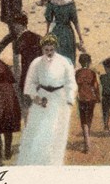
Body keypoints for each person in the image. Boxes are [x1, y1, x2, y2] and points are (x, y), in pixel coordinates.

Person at [16, 34, 77, 166]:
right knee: (38, 131)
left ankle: (53, 164)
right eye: (46, 50)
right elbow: (30, 83)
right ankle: (35, 163)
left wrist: (69, 99)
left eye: (51, 50)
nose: (49, 53)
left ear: (55, 48)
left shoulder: (64, 62)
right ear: (42, 49)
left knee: (56, 132)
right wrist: (36, 97)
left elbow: (70, 82)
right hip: (42, 98)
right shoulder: (36, 63)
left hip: (59, 99)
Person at [44, 0, 85, 65]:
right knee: (68, 57)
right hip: (68, 32)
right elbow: (75, 22)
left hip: (56, 31)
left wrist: (47, 33)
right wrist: (80, 37)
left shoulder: (52, 3)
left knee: (56, 57)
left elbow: (48, 19)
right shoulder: (70, 4)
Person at [75, 53, 99, 153]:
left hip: (82, 99)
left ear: (80, 63)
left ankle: (87, 142)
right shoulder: (92, 73)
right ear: (89, 62)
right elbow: (96, 86)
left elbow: (74, 84)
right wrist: (98, 97)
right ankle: (87, 140)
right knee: (89, 119)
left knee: (83, 121)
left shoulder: (77, 73)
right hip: (91, 99)